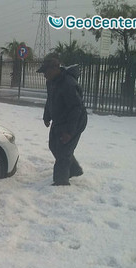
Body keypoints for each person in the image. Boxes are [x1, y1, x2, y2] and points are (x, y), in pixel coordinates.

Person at [37, 54, 88, 186]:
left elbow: (76, 108)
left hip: (74, 120)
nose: (44, 75)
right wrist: (47, 116)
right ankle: (75, 169)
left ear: (55, 69)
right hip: (60, 119)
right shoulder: (51, 82)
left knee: (63, 151)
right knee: (54, 145)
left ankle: (61, 182)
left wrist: (69, 132)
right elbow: (50, 99)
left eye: (45, 72)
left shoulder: (68, 84)